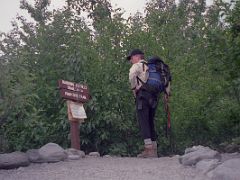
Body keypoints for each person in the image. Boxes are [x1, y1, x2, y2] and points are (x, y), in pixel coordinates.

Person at [127, 49, 171, 158]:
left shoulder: (138, 65)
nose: (131, 61)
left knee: (143, 121)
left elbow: (132, 75)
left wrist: (134, 89)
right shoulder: (153, 67)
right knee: (150, 121)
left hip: (142, 96)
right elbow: (166, 83)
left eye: (131, 58)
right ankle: (154, 149)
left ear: (137, 57)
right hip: (154, 96)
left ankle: (148, 150)